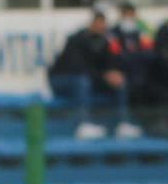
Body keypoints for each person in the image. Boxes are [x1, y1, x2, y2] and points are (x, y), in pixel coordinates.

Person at [49, 11, 142, 140]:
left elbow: (110, 63)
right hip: (62, 80)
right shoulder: (76, 40)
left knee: (120, 81)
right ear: (91, 24)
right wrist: (104, 75)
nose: (101, 27)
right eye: (98, 24)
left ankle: (123, 123)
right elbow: (78, 68)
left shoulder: (106, 41)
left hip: (91, 78)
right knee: (83, 82)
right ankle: (83, 124)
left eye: (103, 24)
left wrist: (113, 74)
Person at [110, 3, 155, 106]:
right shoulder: (113, 32)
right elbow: (115, 53)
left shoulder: (142, 31)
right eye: (127, 15)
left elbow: (150, 52)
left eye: (131, 15)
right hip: (123, 70)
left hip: (142, 70)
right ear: (121, 15)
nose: (129, 18)